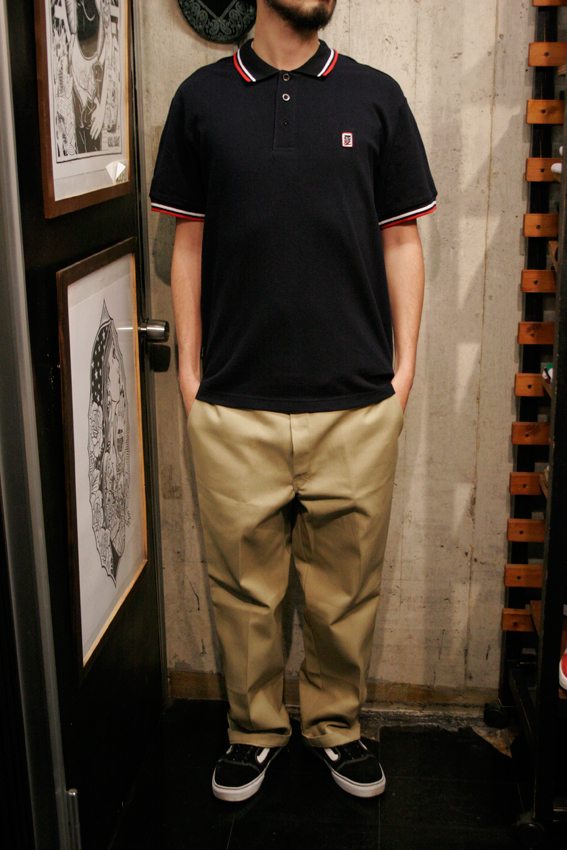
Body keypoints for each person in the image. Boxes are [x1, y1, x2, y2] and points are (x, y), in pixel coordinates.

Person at [150, 0, 437, 803]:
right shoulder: (201, 99)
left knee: (346, 593)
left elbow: (401, 239)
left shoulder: (375, 96)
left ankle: (337, 727)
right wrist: (191, 378)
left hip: (355, 404)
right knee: (242, 592)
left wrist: (403, 374)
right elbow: (187, 242)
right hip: (233, 403)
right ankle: (252, 730)